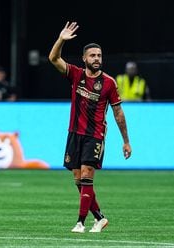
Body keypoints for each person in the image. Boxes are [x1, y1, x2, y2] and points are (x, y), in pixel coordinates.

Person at [48, 21, 132, 233]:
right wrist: (61, 39)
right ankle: (100, 218)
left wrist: (126, 141)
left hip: (95, 135)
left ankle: (80, 223)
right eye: (93, 55)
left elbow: (118, 113)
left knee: (87, 173)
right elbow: (53, 59)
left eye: (99, 56)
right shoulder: (76, 75)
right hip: (74, 134)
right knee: (78, 179)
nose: (97, 59)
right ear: (85, 58)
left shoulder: (109, 83)